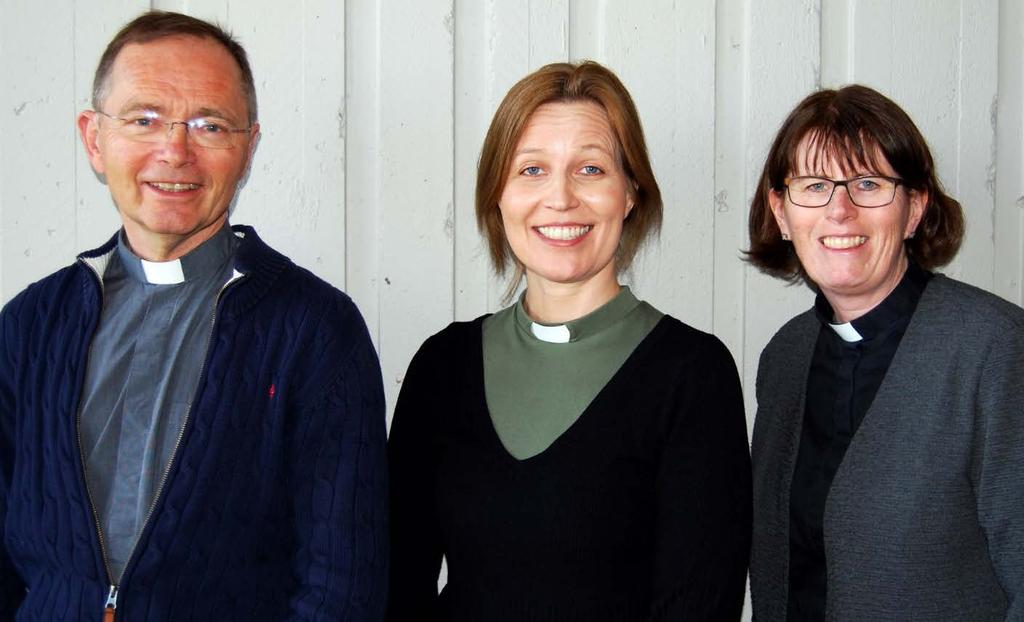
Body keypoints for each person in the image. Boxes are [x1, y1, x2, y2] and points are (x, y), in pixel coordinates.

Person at [0, 11, 387, 620]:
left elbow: (341, 589)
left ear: (248, 147)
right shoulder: (30, 326)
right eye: (143, 120)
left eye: (210, 125)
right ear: (94, 139)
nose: (174, 151)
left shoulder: (315, 331)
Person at [387, 61, 752, 621]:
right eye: (531, 170)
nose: (560, 198)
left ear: (630, 193)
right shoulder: (442, 366)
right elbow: (397, 584)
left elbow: (698, 605)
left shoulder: (692, 374)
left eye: (590, 169)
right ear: (498, 196)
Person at [746, 84, 1024, 620]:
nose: (840, 210)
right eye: (815, 185)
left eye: (868, 184)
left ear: (915, 209)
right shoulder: (785, 358)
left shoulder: (995, 350)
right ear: (782, 214)